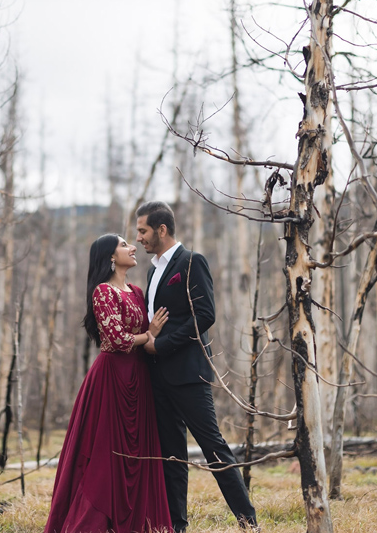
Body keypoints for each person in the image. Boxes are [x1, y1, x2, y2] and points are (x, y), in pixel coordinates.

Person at [135, 201, 258, 532]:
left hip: (189, 374)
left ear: (162, 229)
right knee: (171, 456)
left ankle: (249, 522)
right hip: (157, 377)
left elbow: (205, 315)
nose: (138, 238)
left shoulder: (191, 262)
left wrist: (161, 343)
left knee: (214, 448)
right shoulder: (152, 270)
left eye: (143, 230)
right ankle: (177, 527)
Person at [44, 234, 173, 533]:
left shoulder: (137, 291)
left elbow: (134, 338)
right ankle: (99, 520)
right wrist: (149, 334)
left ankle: (138, 520)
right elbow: (116, 341)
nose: (132, 247)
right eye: (124, 245)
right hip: (111, 378)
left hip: (138, 378)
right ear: (111, 257)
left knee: (137, 450)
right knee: (104, 451)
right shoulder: (103, 291)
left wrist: (147, 337)